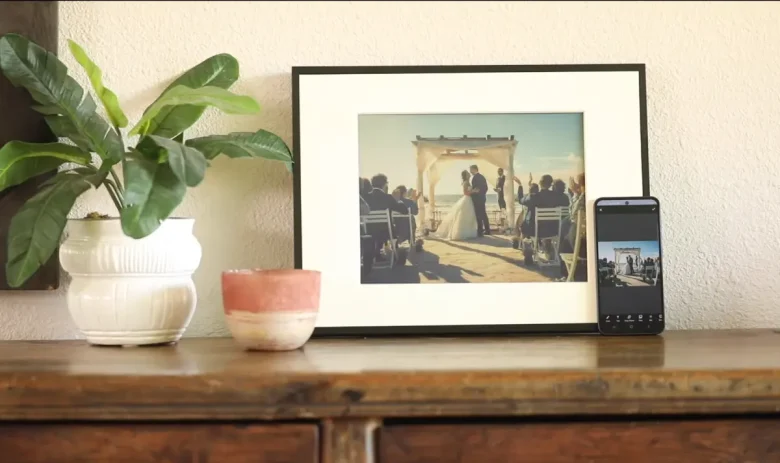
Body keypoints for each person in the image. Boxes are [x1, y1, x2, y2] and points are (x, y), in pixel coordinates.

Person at [365, 174, 408, 258]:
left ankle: (377, 254)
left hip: (368, 231)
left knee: (378, 228)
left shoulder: (366, 198)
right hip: (386, 232)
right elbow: (404, 211)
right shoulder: (388, 197)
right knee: (397, 225)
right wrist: (397, 200)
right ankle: (395, 253)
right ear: (384, 185)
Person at [435, 170, 478, 241]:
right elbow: (465, 193)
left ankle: (468, 232)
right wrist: (474, 191)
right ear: (466, 175)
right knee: (464, 216)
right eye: (468, 173)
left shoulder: (468, 182)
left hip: (469, 200)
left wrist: (473, 191)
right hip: (467, 199)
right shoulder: (466, 183)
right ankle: (462, 233)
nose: (469, 174)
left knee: (468, 216)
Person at [469, 165, 491, 236]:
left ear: (474, 169)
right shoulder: (482, 177)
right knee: (483, 214)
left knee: (478, 215)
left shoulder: (476, 177)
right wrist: (482, 193)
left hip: (477, 199)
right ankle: (487, 230)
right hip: (482, 198)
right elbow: (486, 188)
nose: (470, 171)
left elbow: (478, 189)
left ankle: (480, 231)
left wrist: (475, 192)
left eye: (471, 169)